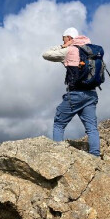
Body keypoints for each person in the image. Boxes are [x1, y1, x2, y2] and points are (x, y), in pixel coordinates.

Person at [42, 27, 100, 156]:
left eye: (63, 38)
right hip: (91, 94)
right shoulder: (92, 51)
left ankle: (58, 155)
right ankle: (95, 156)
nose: (63, 40)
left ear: (68, 37)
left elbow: (46, 54)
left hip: (75, 94)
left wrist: (63, 45)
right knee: (91, 128)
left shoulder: (70, 50)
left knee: (59, 124)